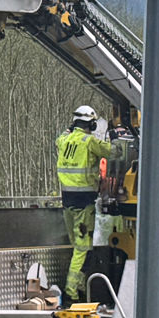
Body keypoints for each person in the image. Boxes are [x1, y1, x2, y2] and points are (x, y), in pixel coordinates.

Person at [56, 105, 112, 306]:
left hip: (67, 202)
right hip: (84, 203)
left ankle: (79, 286)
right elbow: (112, 152)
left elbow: (60, 137)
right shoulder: (90, 142)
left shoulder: (64, 140)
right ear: (92, 123)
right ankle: (71, 292)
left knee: (78, 247)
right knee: (82, 248)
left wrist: (70, 129)